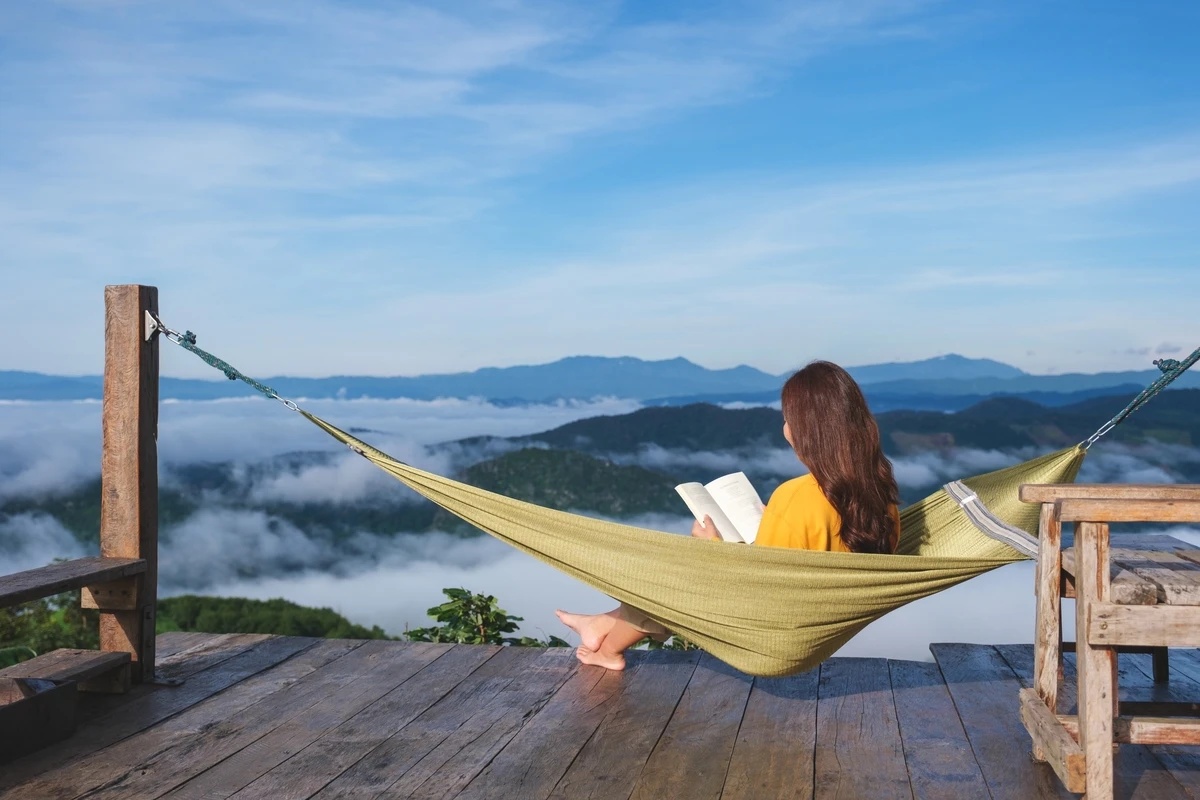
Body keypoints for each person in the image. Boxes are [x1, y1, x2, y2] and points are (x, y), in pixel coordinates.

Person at [555, 360, 901, 670]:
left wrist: (716, 548)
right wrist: (775, 524)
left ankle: (608, 649)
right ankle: (603, 625)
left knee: (679, 569)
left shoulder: (796, 497)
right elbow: (815, 557)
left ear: (806, 431)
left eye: (787, 418)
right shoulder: (881, 497)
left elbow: (760, 585)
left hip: (776, 631)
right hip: (820, 620)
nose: (785, 428)